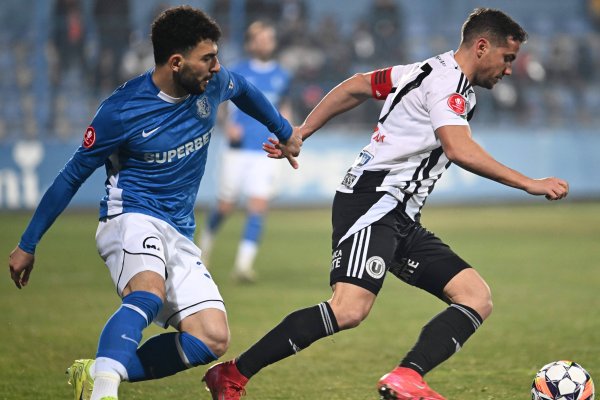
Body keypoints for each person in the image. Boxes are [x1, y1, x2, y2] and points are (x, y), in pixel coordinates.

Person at [202, 8, 569, 400]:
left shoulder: (425, 70)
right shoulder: (448, 85)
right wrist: (529, 183)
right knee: (348, 309)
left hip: (400, 214)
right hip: (373, 203)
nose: (509, 69)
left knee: (475, 297)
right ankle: (232, 374)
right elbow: (459, 149)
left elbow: (358, 85)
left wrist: (303, 131)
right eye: (507, 58)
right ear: (482, 47)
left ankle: (407, 377)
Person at [7, 6, 301, 400]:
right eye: (208, 59)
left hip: (178, 228)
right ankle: (103, 393)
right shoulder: (122, 110)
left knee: (212, 337)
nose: (217, 67)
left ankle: (98, 370)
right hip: (129, 215)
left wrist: (283, 130)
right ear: (176, 62)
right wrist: (28, 243)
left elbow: (244, 89)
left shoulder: (212, 84)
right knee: (147, 294)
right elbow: (71, 175)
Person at [199, 20, 293, 282]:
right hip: (237, 150)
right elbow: (217, 102)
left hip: (266, 149)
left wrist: (287, 134)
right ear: (251, 43)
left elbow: (284, 107)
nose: (265, 43)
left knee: (258, 206)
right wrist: (226, 124)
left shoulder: (283, 75)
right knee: (225, 205)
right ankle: (204, 246)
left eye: (269, 38)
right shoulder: (235, 71)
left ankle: (243, 266)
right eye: (260, 39)